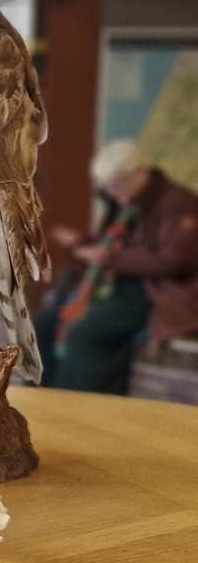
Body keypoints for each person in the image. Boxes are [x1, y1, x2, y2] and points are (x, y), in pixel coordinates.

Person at [34, 139, 198, 394]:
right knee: (44, 325)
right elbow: (112, 247)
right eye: (107, 188)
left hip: (152, 293)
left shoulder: (177, 202)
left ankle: (81, 409)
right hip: (113, 287)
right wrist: (80, 243)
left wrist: (107, 258)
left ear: (139, 173)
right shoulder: (127, 202)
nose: (111, 193)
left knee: (85, 334)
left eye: (115, 186)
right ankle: (46, 401)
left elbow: (174, 261)